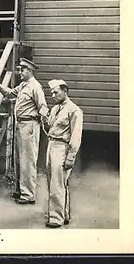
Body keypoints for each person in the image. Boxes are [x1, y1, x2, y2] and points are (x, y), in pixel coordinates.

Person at [0, 58, 49, 205]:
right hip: (20, 125)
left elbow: (43, 107)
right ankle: (20, 190)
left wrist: (45, 124)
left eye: (23, 70)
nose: (20, 72)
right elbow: (9, 93)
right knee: (19, 159)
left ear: (30, 71)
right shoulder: (23, 85)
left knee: (28, 160)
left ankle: (28, 195)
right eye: (20, 69)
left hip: (30, 125)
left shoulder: (35, 87)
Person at [43, 79, 83, 228]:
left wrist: (71, 156)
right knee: (54, 181)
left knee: (58, 184)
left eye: (56, 92)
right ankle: (64, 214)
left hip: (62, 147)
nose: (53, 95)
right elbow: (51, 128)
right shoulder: (55, 109)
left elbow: (76, 135)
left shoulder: (74, 110)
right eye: (51, 93)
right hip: (51, 145)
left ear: (65, 91)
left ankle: (56, 218)